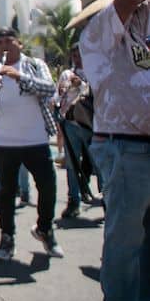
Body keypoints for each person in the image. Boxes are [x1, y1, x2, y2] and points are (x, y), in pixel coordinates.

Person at [66, 0, 150, 301]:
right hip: (124, 143)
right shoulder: (100, 27)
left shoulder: (144, 20)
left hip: (142, 141)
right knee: (125, 235)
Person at [0, 27, 63, 261]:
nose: (4, 46)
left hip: (36, 140)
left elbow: (49, 89)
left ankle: (44, 228)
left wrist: (18, 76)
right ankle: (7, 237)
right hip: (3, 143)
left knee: (48, 187)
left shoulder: (34, 65)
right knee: (5, 193)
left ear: (19, 44)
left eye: (9, 41)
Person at [56, 43, 93, 218]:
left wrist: (82, 84)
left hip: (90, 124)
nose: (78, 58)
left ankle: (105, 198)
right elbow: (57, 97)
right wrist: (61, 92)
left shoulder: (94, 71)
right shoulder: (66, 74)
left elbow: (97, 93)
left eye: (81, 54)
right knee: (71, 164)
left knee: (98, 163)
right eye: (75, 55)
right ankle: (73, 201)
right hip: (70, 123)